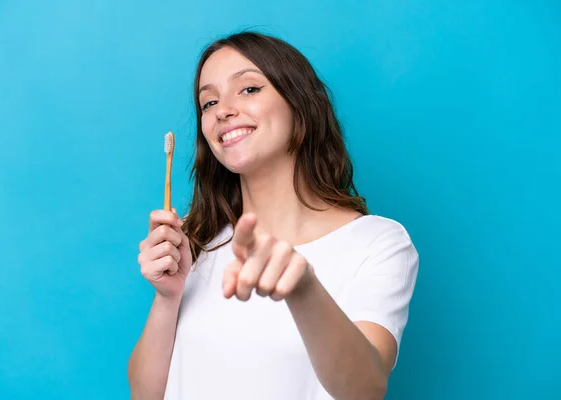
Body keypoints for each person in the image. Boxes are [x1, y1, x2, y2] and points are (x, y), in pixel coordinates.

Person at [127, 31, 419, 400]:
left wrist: (304, 291)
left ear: (300, 105)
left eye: (248, 89)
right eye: (208, 102)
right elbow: (144, 394)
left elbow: (365, 389)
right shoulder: (198, 240)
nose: (222, 110)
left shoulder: (376, 244)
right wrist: (168, 298)